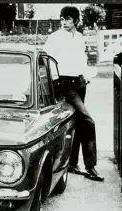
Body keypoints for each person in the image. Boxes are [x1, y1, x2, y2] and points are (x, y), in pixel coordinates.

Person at [43, 6, 104, 181]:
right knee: (88, 121)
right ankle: (91, 167)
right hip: (65, 85)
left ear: (75, 20)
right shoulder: (54, 38)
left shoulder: (79, 38)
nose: (64, 22)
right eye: (62, 19)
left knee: (77, 122)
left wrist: (86, 75)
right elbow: (47, 60)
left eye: (68, 19)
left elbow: (81, 60)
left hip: (79, 83)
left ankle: (72, 163)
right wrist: (55, 81)